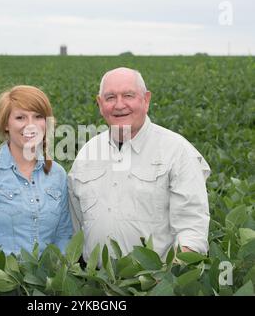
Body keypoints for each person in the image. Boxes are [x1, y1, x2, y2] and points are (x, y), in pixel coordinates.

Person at [68, 67, 211, 262]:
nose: (119, 105)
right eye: (110, 97)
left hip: (155, 283)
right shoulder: (87, 153)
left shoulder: (177, 151)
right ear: (100, 104)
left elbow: (192, 230)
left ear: (146, 100)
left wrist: (166, 281)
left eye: (128, 95)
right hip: (94, 281)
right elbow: (75, 225)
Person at [0, 85, 73, 256]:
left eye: (38, 117)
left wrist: (58, 274)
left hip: (47, 280)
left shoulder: (57, 173)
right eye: (20, 117)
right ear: (6, 124)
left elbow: (64, 235)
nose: (30, 125)